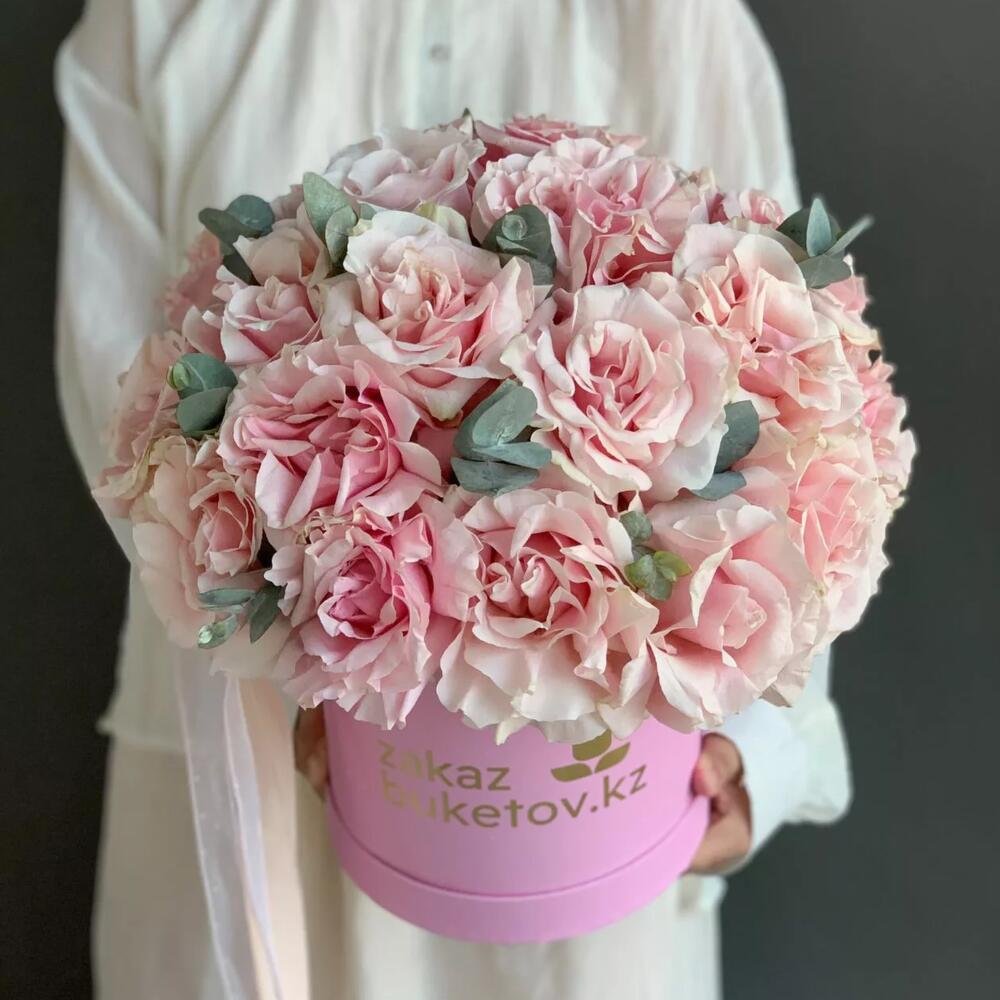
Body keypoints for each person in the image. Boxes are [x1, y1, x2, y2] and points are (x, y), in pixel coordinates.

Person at [55, 1, 851, 997]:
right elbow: (121, 403)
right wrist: (316, 649)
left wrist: (756, 748)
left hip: (585, 793)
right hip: (246, 750)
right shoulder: (156, 20)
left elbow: (784, 376)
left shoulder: (678, 22)